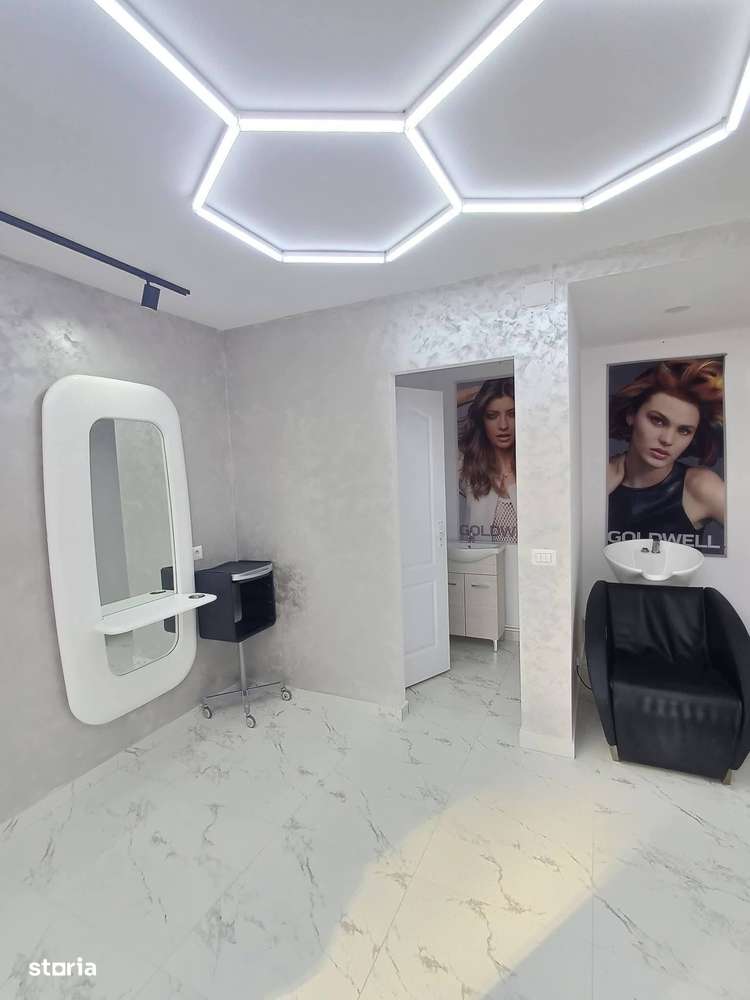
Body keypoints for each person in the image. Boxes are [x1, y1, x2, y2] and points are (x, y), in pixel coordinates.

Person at [607, 358, 725, 551]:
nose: (667, 440)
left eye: (684, 430)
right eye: (658, 421)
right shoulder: (599, 478)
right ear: (631, 415)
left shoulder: (700, 486)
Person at [458, 378, 518, 544]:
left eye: (512, 414)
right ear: (482, 420)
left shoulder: (539, 466)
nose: (503, 425)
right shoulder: (468, 465)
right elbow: (430, 410)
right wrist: (475, 393)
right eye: (492, 416)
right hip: (486, 561)